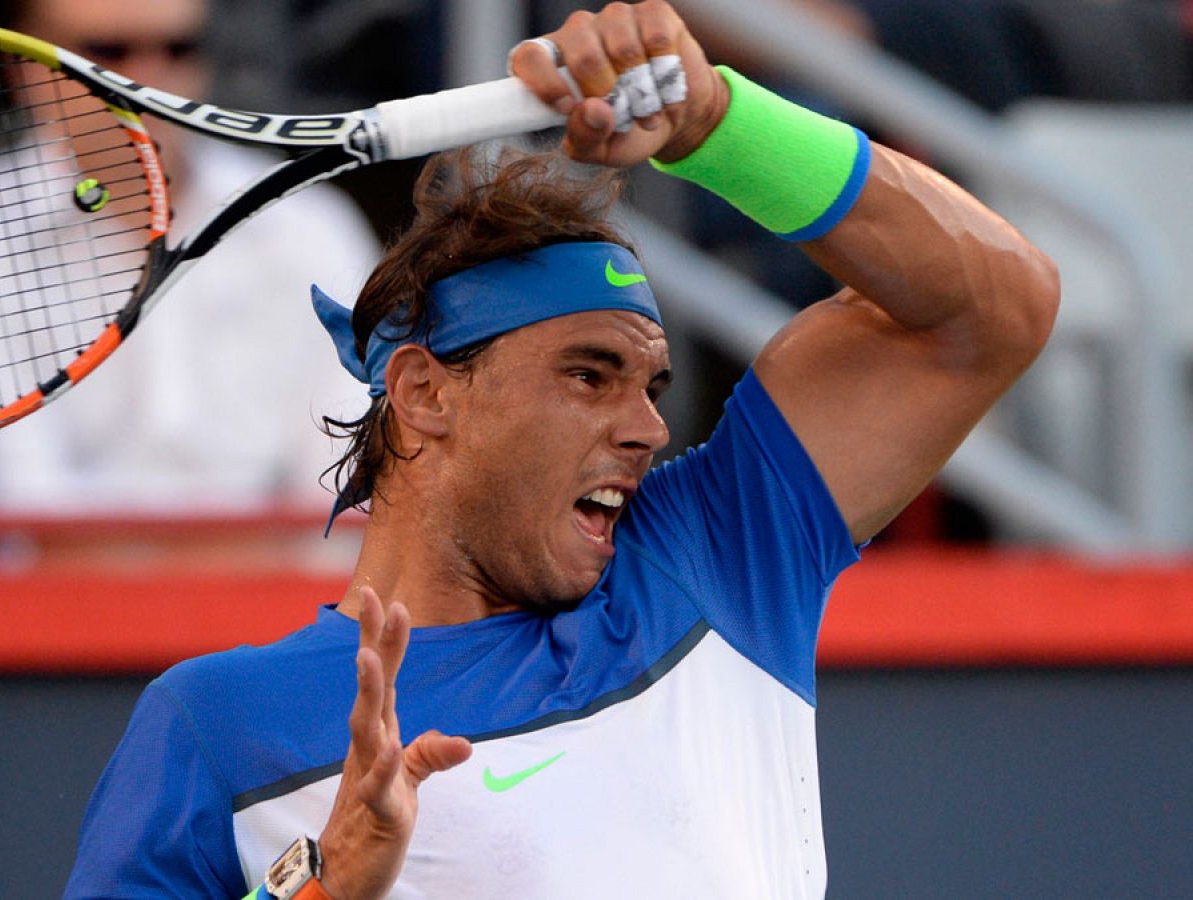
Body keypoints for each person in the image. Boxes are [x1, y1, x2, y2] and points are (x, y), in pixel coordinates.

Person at [63, 1, 1059, 897]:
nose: (647, 426)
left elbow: (995, 310)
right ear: (422, 392)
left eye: (650, 384)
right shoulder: (215, 724)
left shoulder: (715, 556)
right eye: (587, 376)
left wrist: (717, 125)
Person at [0, 0, 382, 514]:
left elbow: (346, 491)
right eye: (108, 53)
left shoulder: (307, 227)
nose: (147, 79)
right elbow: (17, 506)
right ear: (26, 68)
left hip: (277, 586)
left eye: (179, 50)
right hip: (52, 592)